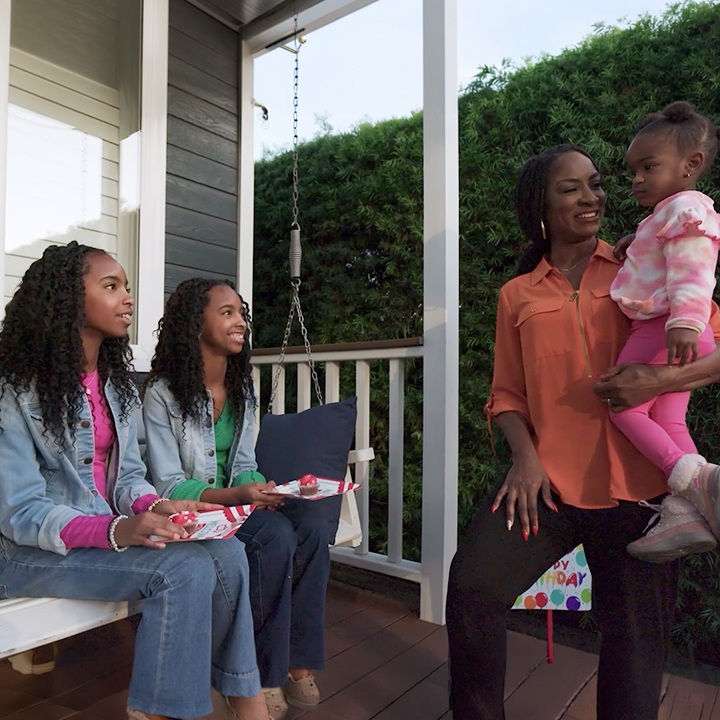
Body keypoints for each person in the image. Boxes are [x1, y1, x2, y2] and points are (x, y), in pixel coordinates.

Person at [445, 145, 720, 720]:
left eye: (595, 184)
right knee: (473, 590)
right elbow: (506, 395)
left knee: (635, 648)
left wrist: (650, 383)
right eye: (571, 188)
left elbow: (710, 346)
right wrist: (524, 458)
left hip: (641, 491)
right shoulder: (516, 295)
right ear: (539, 205)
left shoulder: (639, 264)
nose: (592, 196)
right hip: (548, 485)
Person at [0, 242, 270, 720]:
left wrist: (156, 506)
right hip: (25, 552)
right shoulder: (14, 390)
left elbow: (127, 477)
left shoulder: (115, 385)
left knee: (228, 551)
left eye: (126, 286)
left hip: (100, 536)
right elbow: (21, 512)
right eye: (111, 286)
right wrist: (118, 530)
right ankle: (167, 711)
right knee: (183, 569)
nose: (127, 298)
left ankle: (241, 696)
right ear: (68, 300)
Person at [142, 278, 331, 720]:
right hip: (193, 514)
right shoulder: (162, 395)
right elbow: (167, 484)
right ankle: (251, 674)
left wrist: (262, 488)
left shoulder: (242, 389)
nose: (240, 321)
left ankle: (294, 662)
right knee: (275, 539)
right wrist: (236, 495)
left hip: (236, 506)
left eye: (240, 312)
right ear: (195, 324)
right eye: (226, 312)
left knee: (314, 525)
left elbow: (244, 461)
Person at [607, 101, 720, 562]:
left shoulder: (687, 207)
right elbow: (663, 255)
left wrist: (686, 322)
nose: (636, 178)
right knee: (669, 420)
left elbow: (694, 267)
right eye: (633, 169)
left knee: (621, 406)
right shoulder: (666, 213)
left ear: (690, 165)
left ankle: (697, 480)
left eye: (648, 167)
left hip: (664, 329)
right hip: (675, 332)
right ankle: (687, 508)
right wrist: (635, 243)